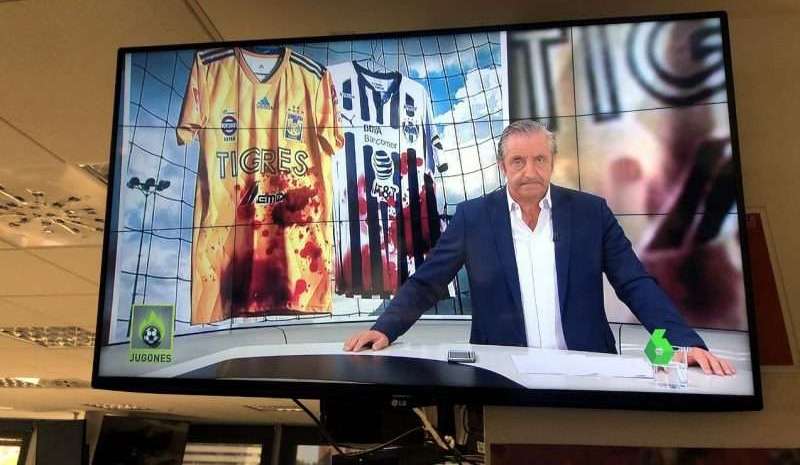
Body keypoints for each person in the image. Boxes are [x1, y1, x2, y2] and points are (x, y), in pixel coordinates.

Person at [343, 120, 735, 376]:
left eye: (539, 160)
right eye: (517, 161)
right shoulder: (472, 218)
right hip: (503, 376)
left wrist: (681, 341)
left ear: (552, 163)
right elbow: (427, 282)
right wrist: (384, 328)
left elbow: (635, 283)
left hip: (588, 372)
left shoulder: (592, 213)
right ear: (502, 166)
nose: (529, 171)